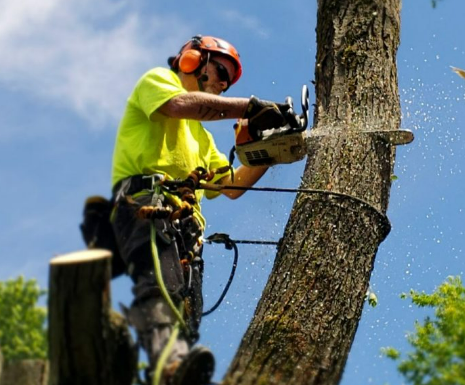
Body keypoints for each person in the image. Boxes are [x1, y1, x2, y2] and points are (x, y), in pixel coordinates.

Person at [110, 35, 295, 385]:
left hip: (186, 229)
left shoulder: (203, 138)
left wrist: (270, 150)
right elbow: (182, 105)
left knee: (187, 309)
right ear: (192, 60)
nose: (223, 83)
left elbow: (232, 187)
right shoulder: (158, 83)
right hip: (146, 204)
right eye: (220, 71)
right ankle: (169, 365)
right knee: (160, 286)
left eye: (228, 80)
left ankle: (176, 372)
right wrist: (251, 107)